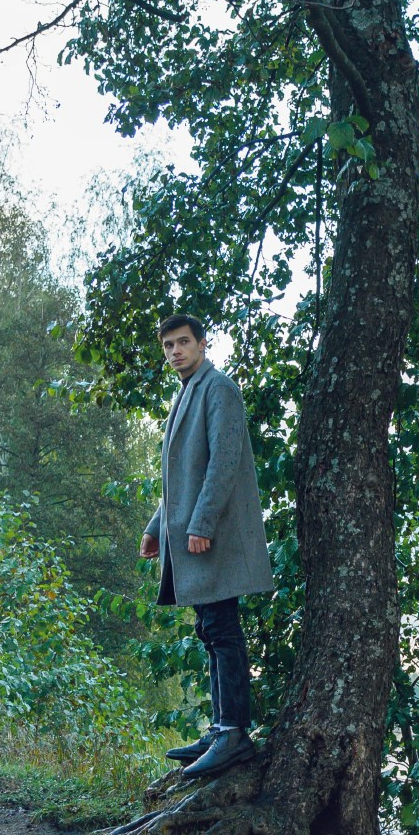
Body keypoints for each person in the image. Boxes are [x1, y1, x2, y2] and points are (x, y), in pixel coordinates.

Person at [141, 315, 274, 777]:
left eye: (183, 342)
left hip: (211, 533)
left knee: (221, 628)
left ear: (202, 343)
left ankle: (233, 732)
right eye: (168, 346)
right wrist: (157, 526)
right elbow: (180, 474)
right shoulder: (186, 391)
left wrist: (202, 524)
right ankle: (221, 728)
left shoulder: (218, 388)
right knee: (209, 627)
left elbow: (223, 462)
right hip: (193, 531)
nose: (175, 351)